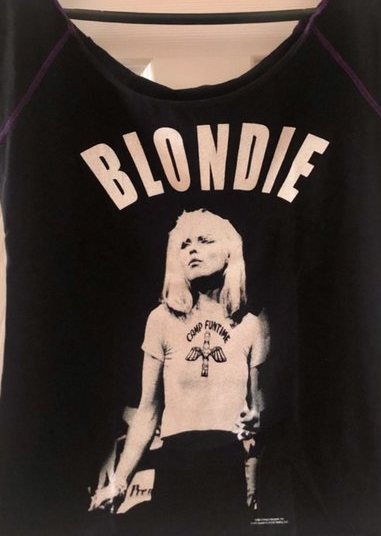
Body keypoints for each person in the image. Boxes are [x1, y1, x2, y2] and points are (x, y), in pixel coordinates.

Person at [88, 208, 270, 535]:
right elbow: (147, 413)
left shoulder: (250, 326)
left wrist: (256, 419)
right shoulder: (161, 320)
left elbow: (258, 408)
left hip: (227, 465)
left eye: (204, 241)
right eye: (184, 245)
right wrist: (118, 482)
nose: (192, 250)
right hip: (176, 466)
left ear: (229, 251)